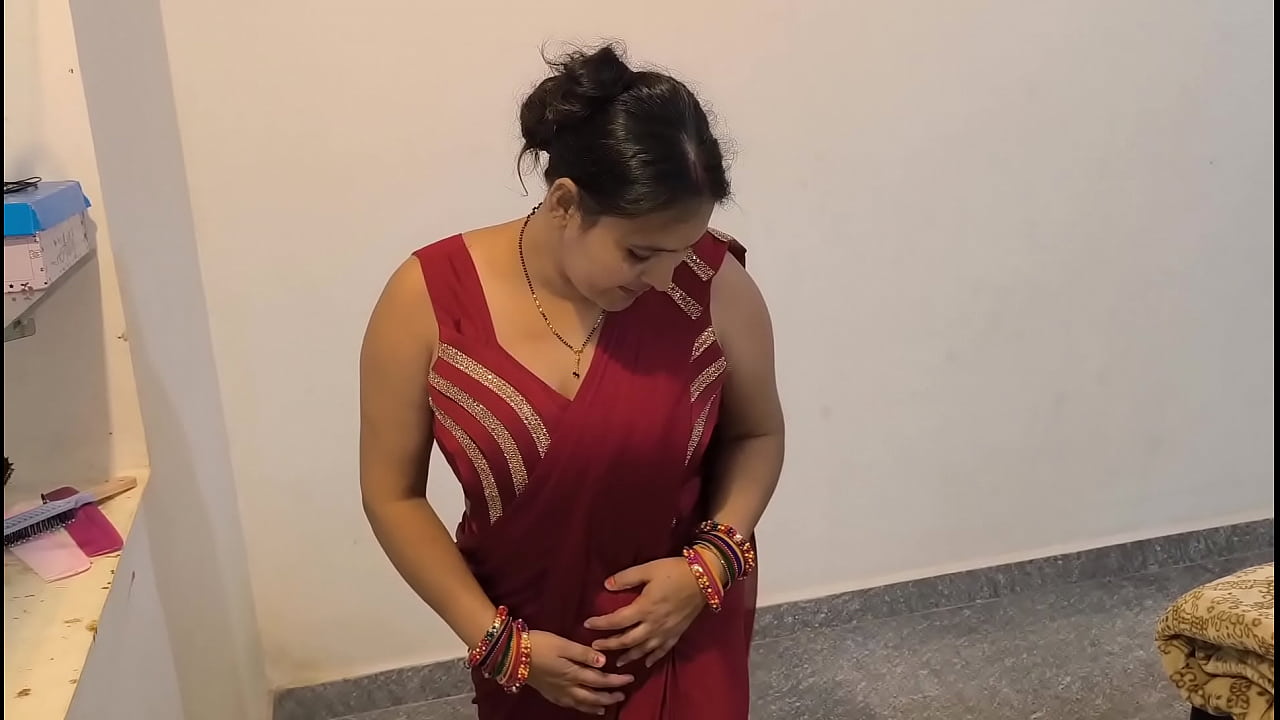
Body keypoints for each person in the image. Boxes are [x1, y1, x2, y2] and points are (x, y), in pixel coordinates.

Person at [359, 44, 784, 719]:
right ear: (565, 202)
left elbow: (757, 434)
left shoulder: (712, 285)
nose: (665, 278)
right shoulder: (429, 301)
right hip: (527, 632)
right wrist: (500, 645)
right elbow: (393, 495)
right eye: (640, 252)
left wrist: (710, 565)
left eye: (682, 251)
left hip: (680, 628)